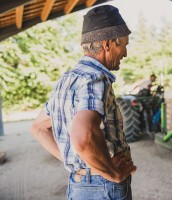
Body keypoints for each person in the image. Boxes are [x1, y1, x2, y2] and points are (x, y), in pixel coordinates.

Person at [30, 5, 136, 200]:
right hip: (104, 187)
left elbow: (38, 127)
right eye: (123, 45)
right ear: (107, 44)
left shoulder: (66, 80)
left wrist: (80, 163)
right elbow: (83, 135)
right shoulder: (95, 79)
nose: (125, 53)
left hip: (78, 185)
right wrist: (113, 174)